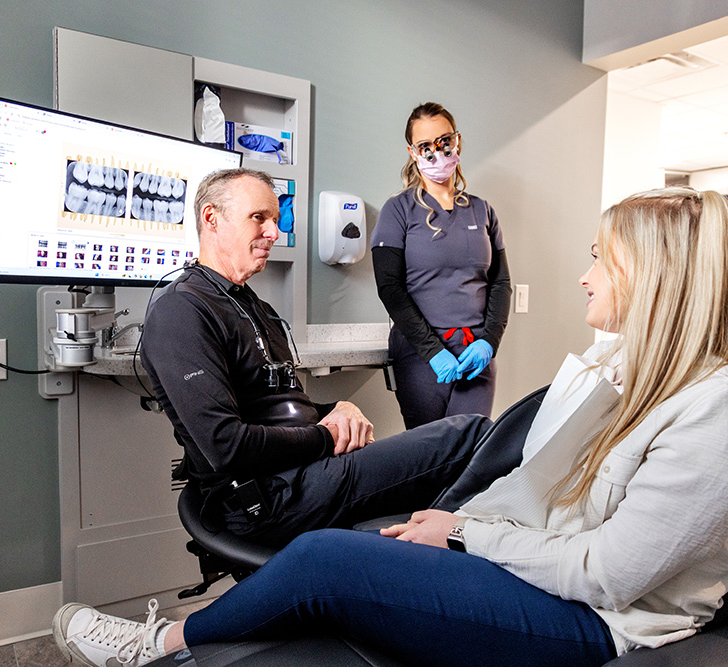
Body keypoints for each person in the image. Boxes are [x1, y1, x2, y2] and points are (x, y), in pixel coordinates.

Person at [53, 187, 728, 667]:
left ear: (656, 276)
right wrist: (462, 523)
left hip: (597, 623)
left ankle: (156, 644)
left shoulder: (726, 408)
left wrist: (467, 532)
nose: (585, 276)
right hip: (541, 573)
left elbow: (610, 573)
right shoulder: (643, 376)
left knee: (326, 558)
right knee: (415, 500)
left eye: (602, 259)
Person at [136, 168, 490, 550]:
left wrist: (336, 407)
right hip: (269, 500)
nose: (274, 232)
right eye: (259, 218)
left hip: (306, 474)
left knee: (449, 487)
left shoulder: (254, 307)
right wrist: (326, 436)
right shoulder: (182, 310)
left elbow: (278, 407)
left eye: (275, 219)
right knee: (468, 435)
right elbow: (226, 447)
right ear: (211, 218)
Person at [372, 102, 512, 429]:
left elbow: (501, 283)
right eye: (425, 146)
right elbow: (390, 289)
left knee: (471, 448)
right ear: (412, 152)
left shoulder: (482, 211)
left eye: (444, 140)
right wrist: (434, 352)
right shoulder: (398, 210)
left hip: (475, 354)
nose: (437, 151)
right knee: (430, 458)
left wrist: (489, 342)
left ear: (457, 140)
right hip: (421, 356)